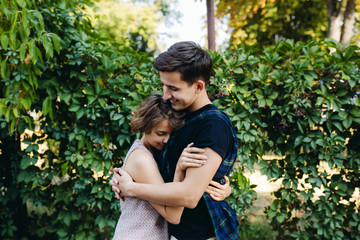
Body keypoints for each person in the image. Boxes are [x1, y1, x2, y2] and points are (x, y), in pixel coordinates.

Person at [111, 41, 240, 240]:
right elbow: (153, 163)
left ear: (198, 87)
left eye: (173, 88)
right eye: (164, 85)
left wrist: (131, 188)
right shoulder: (176, 116)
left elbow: (189, 196)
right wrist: (125, 176)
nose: (165, 95)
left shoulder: (212, 125)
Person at [112, 93, 230, 240]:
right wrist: (179, 170)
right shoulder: (142, 159)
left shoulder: (155, 154)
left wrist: (220, 188)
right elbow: (173, 216)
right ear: (145, 126)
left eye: (170, 134)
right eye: (160, 133)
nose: (166, 140)